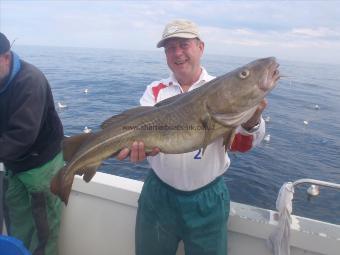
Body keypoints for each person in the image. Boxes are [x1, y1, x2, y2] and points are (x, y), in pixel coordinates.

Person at [117, 20, 267, 255]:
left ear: (200, 47)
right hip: (158, 195)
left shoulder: (223, 90)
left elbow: (241, 144)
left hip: (207, 198)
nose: (177, 53)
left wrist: (250, 121)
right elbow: (142, 140)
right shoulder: (155, 91)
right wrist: (137, 150)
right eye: (170, 48)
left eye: (184, 45)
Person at [0, 32, 64, 255]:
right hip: (13, 163)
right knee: (17, 221)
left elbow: (22, 135)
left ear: (6, 57)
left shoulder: (30, 81)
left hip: (41, 164)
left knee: (44, 229)